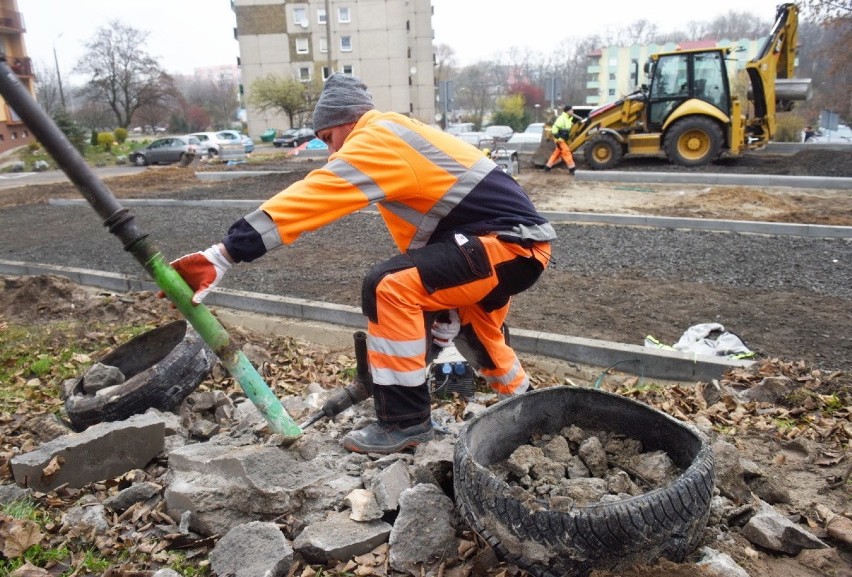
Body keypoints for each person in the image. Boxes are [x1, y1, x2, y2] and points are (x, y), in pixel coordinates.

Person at [166, 74, 556, 454]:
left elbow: (316, 195)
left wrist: (225, 253)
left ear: (346, 122)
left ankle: (405, 423)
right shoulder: (403, 138)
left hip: (502, 245)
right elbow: (433, 239)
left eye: (328, 139)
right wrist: (439, 314)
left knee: (389, 286)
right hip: (512, 248)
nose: (332, 153)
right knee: (482, 340)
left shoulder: (378, 137)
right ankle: (535, 418)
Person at [544, 105, 582, 174]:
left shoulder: (568, 119)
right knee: (567, 152)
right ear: (567, 111)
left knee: (556, 154)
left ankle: (547, 167)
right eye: (571, 110)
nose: (572, 111)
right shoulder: (561, 119)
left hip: (563, 139)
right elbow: (554, 129)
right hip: (560, 140)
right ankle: (572, 169)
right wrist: (558, 138)